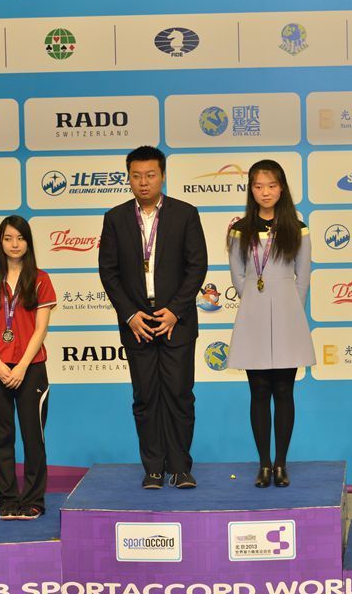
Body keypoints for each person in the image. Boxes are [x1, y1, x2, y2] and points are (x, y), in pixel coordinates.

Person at [98, 145, 208, 489]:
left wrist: (175, 310)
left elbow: (197, 266)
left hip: (177, 322)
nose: (143, 182)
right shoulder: (115, 218)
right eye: (136, 176)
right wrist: (130, 314)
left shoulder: (185, 214)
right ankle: (154, 468)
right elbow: (108, 272)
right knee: (145, 398)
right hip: (138, 324)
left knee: (179, 395)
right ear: (128, 178)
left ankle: (180, 467)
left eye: (150, 175)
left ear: (162, 176)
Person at [226, 159, 315, 488]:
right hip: (254, 315)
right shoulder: (240, 229)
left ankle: (281, 464)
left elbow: (302, 276)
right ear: (251, 189)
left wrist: (291, 309)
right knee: (259, 391)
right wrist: (254, 300)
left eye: (272, 186)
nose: (265, 192)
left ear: (282, 189)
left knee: (284, 391)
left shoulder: (297, 228)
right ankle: (264, 464)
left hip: (289, 314)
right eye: (259, 186)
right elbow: (237, 275)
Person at [0, 216, 56, 520]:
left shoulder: (41, 279)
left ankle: (33, 500)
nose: (14, 244)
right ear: (0, 242)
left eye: (20, 238)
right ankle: (7, 499)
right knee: (2, 438)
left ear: (28, 242)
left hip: (31, 368)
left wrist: (21, 366)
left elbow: (40, 329)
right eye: (8, 238)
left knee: (34, 438)